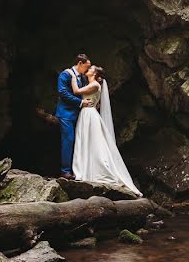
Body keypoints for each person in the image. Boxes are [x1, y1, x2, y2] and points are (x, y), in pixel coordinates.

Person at [70, 65, 142, 196]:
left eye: (91, 69)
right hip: (87, 113)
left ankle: (99, 170)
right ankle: (85, 168)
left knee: (94, 143)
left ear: (96, 75)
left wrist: (73, 76)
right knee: (86, 141)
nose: (89, 69)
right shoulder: (92, 84)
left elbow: (76, 91)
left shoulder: (95, 85)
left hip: (89, 115)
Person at [55, 54, 95, 179]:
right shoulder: (65, 75)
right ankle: (65, 171)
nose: (87, 70)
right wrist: (81, 102)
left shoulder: (82, 78)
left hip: (79, 114)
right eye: (86, 67)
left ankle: (79, 169)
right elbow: (62, 92)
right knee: (69, 139)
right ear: (79, 63)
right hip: (66, 113)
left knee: (80, 140)